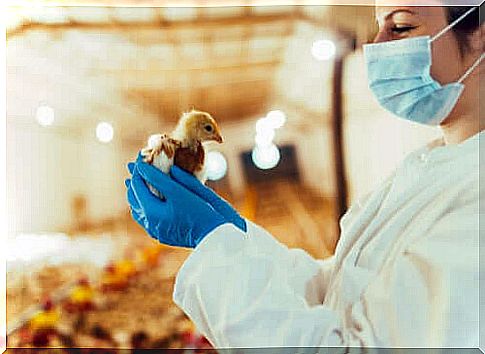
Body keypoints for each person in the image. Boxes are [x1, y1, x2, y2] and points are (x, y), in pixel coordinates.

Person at [125, 3, 483, 348]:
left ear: (480, 31)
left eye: (402, 26)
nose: (374, 45)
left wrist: (216, 245)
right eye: (378, 26)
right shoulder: (430, 165)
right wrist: (233, 237)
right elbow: (336, 291)